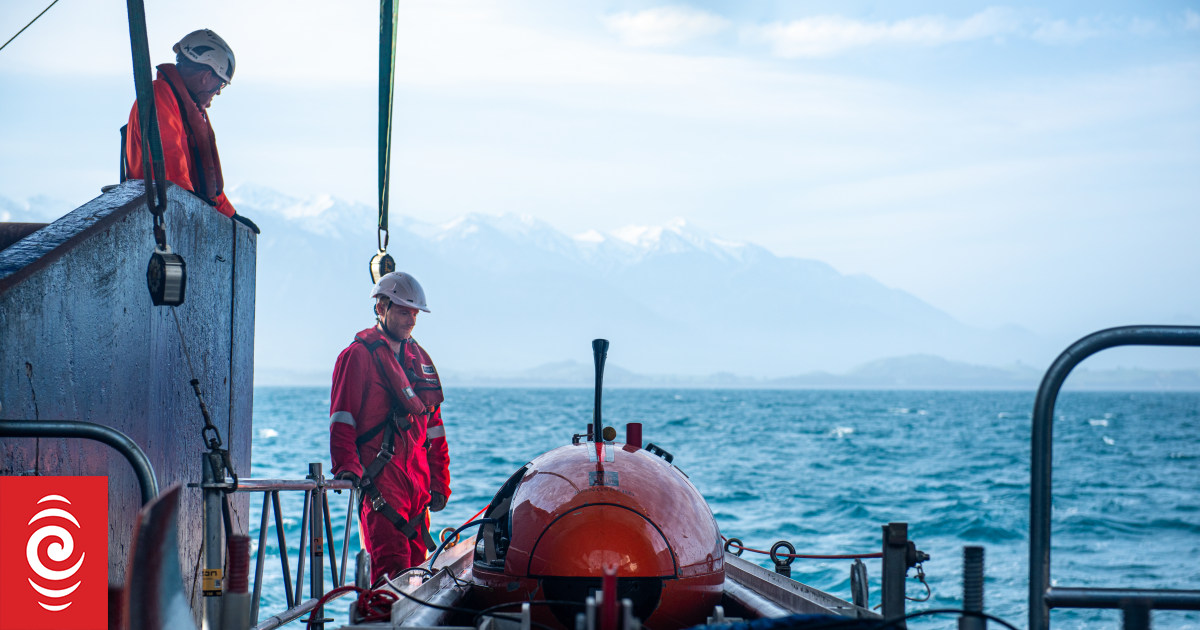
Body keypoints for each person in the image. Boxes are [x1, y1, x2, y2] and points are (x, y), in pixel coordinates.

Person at [329, 272, 450, 583]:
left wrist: (440, 481)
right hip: (382, 484)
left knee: (417, 578)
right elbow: (342, 419)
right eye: (402, 311)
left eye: (414, 313)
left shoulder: (418, 360)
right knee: (390, 578)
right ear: (381, 308)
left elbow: (434, 429)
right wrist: (347, 467)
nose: (410, 320)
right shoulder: (356, 357)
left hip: (418, 486)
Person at [123, 29, 237, 217]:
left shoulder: (186, 109)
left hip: (176, 210)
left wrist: (229, 214)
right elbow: (172, 175)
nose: (218, 92)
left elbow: (206, 183)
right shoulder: (160, 97)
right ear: (206, 77)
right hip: (157, 215)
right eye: (220, 84)